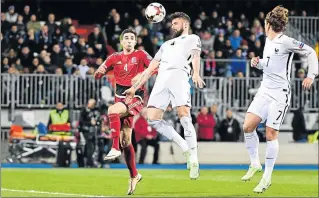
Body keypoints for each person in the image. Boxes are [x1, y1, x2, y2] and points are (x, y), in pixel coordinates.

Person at [242, 6, 318, 193]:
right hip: (264, 90)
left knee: (270, 134)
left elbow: (310, 51)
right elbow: (270, 65)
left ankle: (267, 177)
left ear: (268, 24)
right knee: (247, 126)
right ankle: (254, 164)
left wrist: (311, 75)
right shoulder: (268, 41)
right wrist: (258, 63)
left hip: (279, 94)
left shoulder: (286, 41)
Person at [124, 12, 205, 180]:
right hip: (161, 80)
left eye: (175, 23)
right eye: (172, 23)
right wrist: (134, 88)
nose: (172, 26)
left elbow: (196, 55)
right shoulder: (166, 44)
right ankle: (184, 146)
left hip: (179, 76)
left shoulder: (192, 38)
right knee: (152, 118)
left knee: (184, 115)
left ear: (185, 24)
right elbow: (150, 69)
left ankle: (194, 158)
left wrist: (196, 73)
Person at [94, 29, 153, 195]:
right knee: (126, 140)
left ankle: (114, 148)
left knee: (112, 111)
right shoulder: (114, 57)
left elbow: (156, 68)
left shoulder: (141, 54)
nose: (128, 40)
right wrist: (99, 72)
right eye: (126, 38)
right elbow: (100, 71)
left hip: (136, 96)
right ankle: (134, 175)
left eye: (131, 38)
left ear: (135, 42)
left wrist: (141, 74)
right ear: (121, 42)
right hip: (120, 97)